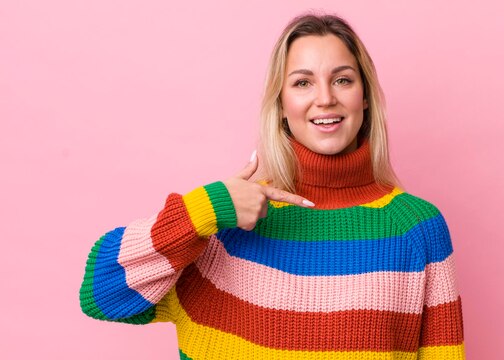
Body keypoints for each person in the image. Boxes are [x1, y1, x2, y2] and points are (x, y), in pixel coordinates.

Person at [80, 12, 465, 360]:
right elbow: (101, 294)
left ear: (364, 98)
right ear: (280, 104)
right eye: (302, 83)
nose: (326, 98)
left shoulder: (417, 229)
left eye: (343, 80)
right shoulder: (225, 226)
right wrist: (203, 210)